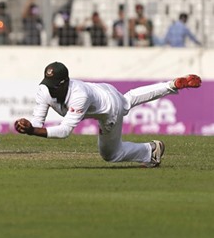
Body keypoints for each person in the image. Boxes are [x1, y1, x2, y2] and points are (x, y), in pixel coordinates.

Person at [14, 62, 201, 168]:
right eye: (47, 84)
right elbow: (37, 122)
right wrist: (26, 125)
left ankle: (149, 151)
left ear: (64, 83)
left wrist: (32, 131)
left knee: (110, 155)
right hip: (102, 90)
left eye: (54, 85)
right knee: (128, 101)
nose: (49, 90)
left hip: (109, 108)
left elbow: (64, 131)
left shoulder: (79, 95)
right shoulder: (44, 89)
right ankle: (171, 85)